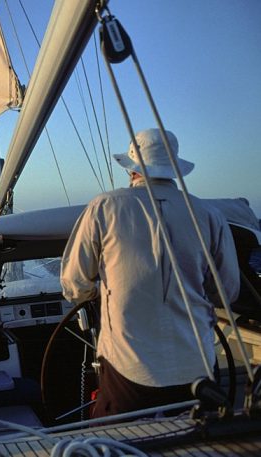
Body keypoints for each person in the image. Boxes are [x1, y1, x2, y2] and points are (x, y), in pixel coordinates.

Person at [60, 128, 240, 418]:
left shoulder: (104, 208)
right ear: (173, 170)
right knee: (194, 442)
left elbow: (74, 284)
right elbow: (227, 291)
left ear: (131, 171)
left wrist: (99, 294)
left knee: (117, 442)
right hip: (197, 368)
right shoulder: (209, 215)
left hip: (128, 369)